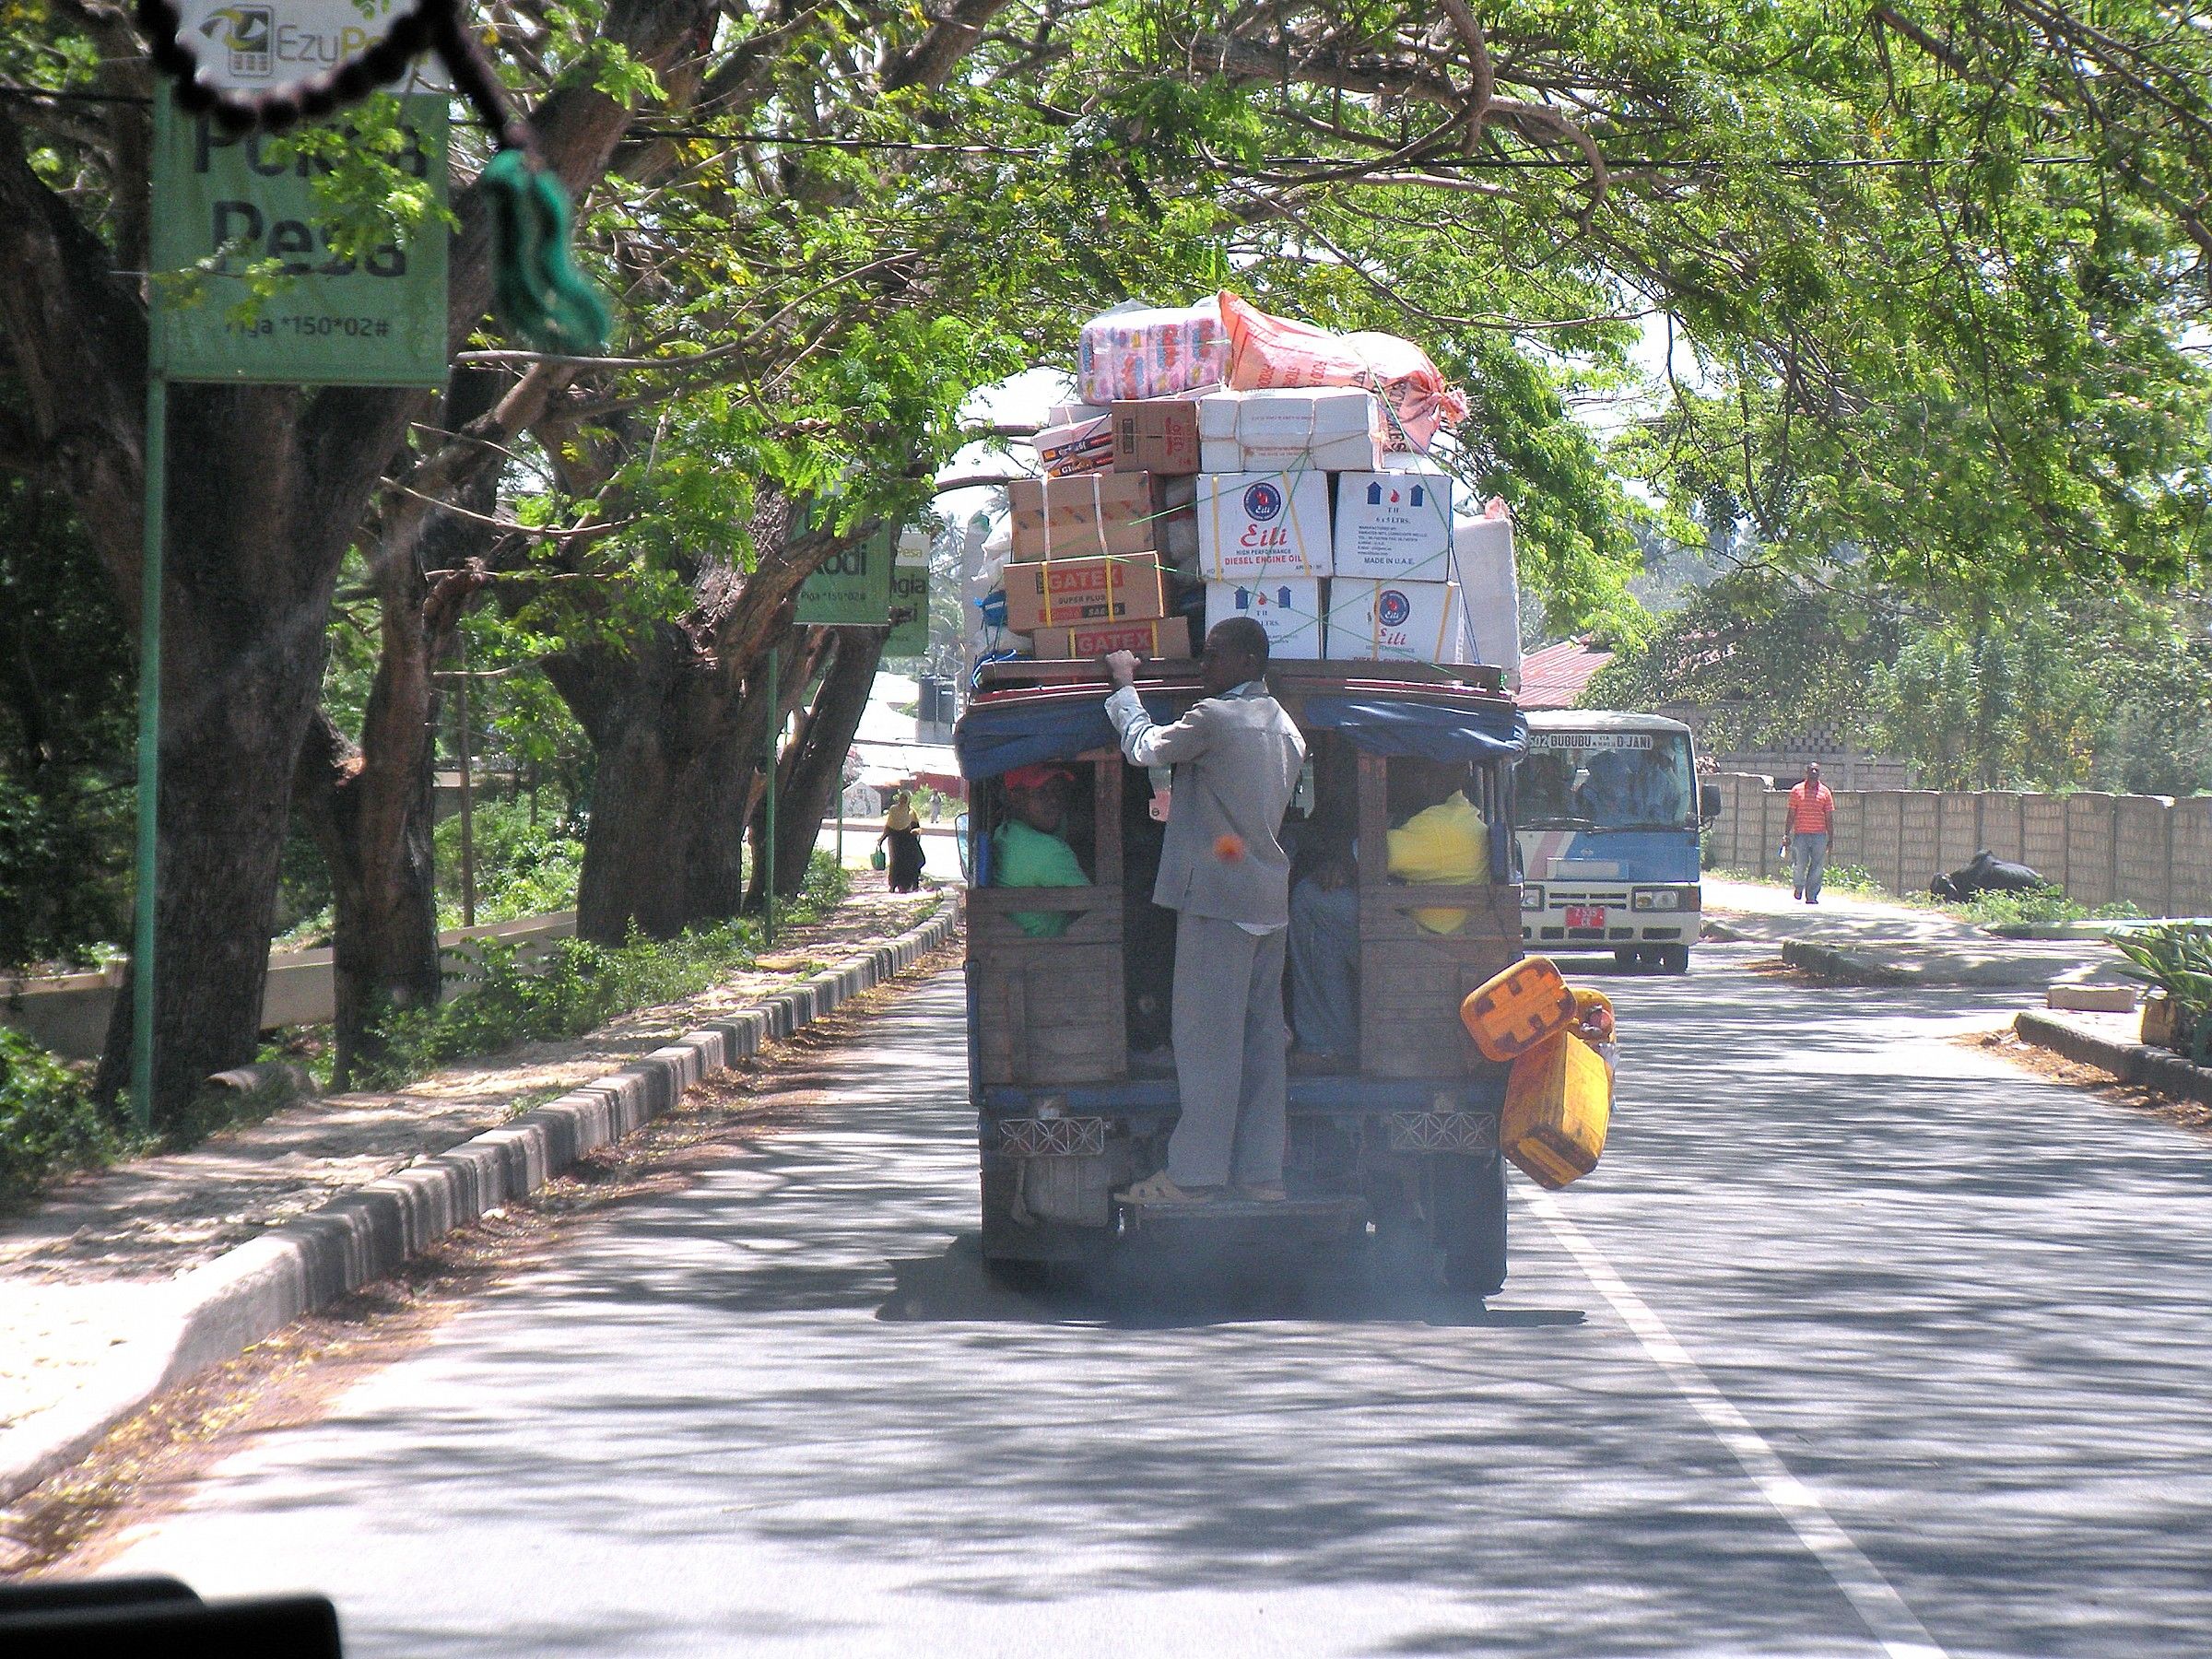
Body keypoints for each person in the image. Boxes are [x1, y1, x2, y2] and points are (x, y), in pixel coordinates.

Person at [1102, 618, 1305, 1206]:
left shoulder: (1215, 718)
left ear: (1246, 661)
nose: (1202, 665)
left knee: (1207, 1043)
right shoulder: (1285, 726)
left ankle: (1194, 1176)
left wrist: (1123, 684)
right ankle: (1262, 1173)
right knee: (1265, 1043)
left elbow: (1145, 748)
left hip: (1218, 902)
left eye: (1214, 655)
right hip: (1269, 901)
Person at [1288, 759, 1490, 1065]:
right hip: (1439, 939)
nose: (1395, 783)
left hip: (1425, 949)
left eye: (1401, 772)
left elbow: (1363, 856)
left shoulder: (1438, 826)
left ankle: (1326, 1043)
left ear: (1425, 779)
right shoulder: (1460, 818)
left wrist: (1335, 864)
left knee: (1311, 900)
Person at [991, 763, 1088, 936]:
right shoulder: (1051, 852)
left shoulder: (1005, 834)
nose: (1054, 800)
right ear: (1016, 798)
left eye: (1059, 792)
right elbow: (1095, 909)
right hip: (1053, 955)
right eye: (1042, 792)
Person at [1785, 761, 1835, 903]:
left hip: (1819, 835)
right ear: (1806, 773)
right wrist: (1786, 834)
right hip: (1801, 834)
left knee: (1817, 866)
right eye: (1811, 771)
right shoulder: (1797, 790)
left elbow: (1829, 817)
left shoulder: (1825, 792)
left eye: (1816, 771)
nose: (1814, 773)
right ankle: (1799, 886)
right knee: (1799, 864)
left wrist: (1830, 838)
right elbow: (1791, 814)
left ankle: (1812, 895)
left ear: (1819, 774)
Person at [877, 789, 925, 892]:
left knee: (913, 862)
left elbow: (917, 828)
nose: (902, 800)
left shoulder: (911, 812)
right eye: (901, 798)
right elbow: (889, 826)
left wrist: (916, 831)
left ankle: (910, 885)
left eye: (905, 798)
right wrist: (881, 839)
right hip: (895, 841)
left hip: (908, 840)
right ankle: (893, 885)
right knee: (896, 864)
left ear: (908, 800)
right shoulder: (893, 810)